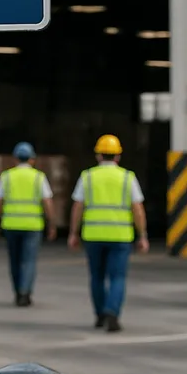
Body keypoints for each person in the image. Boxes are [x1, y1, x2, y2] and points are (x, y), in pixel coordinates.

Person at [68, 134, 149, 333]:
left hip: (93, 235)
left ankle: (100, 315)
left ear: (98, 155)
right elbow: (137, 208)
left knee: (97, 277)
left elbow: (78, 206)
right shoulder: (128, 178)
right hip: (120, 237)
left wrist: (73, 232)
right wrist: (143, 235)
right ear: (118, 156)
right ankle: (112, 311)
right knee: (117, 277)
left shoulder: (87, 176)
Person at [0, 142, 56, 307]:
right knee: (29, 260)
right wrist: (52, 224)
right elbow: (47, 202)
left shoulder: (7, 177)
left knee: (15, 260)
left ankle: (18, 290)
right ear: (32, 159)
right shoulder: (39, 177)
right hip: (32, 226)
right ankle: (25, 292)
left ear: (15, 159)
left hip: (11, 225)